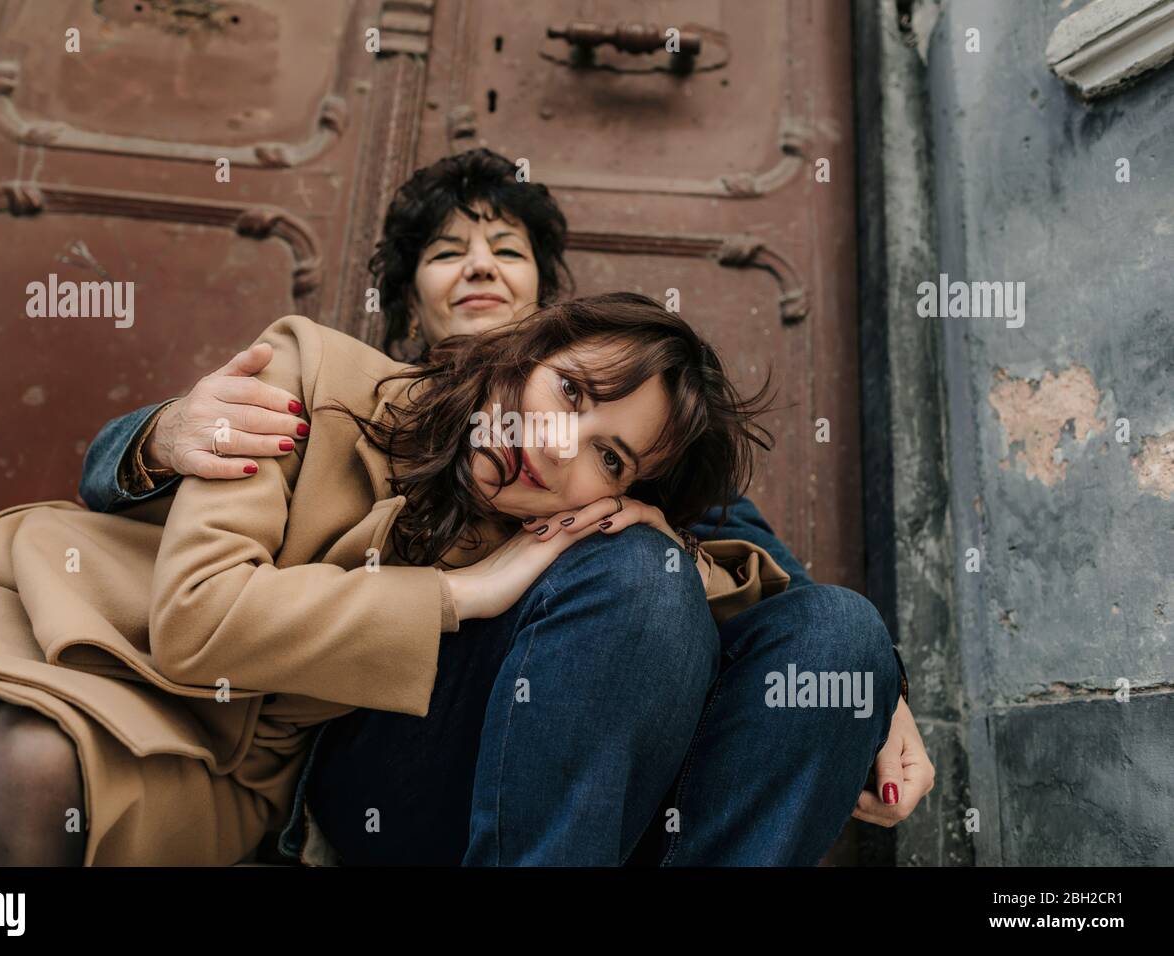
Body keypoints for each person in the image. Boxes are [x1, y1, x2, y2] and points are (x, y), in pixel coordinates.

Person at [78, 150, 933, 865]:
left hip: (617, 769)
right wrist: (159, 434)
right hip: (403, 755)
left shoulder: (638, 457)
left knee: (830, 628)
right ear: (411, 301)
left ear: (548, 310)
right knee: (635, 571)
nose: (479, 265)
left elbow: (787, 598)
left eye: (506, 251)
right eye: (448, 253)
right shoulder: (334, 389)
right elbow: (165, 500)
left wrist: (877, 684)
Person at [0, 294, 802, 866]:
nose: (558, 450)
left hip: (218, 753)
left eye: (611, 459)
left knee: (29, 764)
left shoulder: (559, 540)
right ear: (527, 348)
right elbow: (197, 621)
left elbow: (725, 614)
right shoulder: (311, 369)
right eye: (570, 392)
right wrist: (450, 597)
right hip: (67, 614)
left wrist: (875, 696)